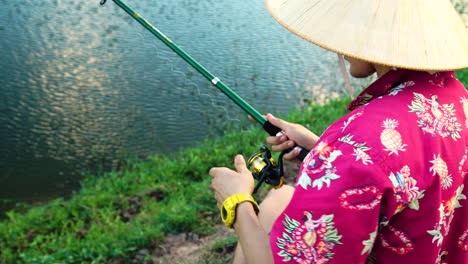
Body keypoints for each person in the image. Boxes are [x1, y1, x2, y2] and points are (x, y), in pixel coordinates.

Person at [209, 0, 468, 263]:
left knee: (252, 234)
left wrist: (237, 202)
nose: (341, 44)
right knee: (280, 195)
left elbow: (366, 160)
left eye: (354, 26)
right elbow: (399, 169)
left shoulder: (355, 145)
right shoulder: (457, 97)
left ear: (378, 35)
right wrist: (323, 150)